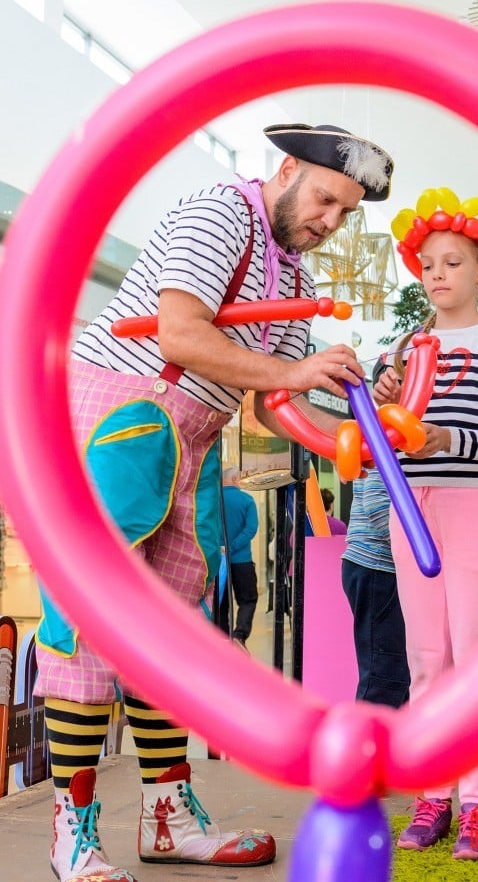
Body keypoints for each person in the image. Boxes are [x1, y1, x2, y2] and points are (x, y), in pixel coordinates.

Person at [33, 122, 393, 882]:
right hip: (124, 413)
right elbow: (183, 335)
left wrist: (361, 430)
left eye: (344, 212)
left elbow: (270, 403)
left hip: (192, 436)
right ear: (288, 168)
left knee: (172, 633)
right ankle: (73, 830)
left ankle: (167, 816)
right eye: (326, 199)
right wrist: (291, 375)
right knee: (90, 624)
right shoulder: (219, 213)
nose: (329, 220)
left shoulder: (291, 273)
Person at [374, 189, 478, 860]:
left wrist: (444, 439)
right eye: (429, 265)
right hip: (410, 512)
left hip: (473, 509)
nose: (438, 275)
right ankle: (434, 793)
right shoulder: (409, 344)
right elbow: (383, 430)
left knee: (474, 659)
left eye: (453, 263)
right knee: (426, 660)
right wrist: (379, 397)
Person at [341, 450, 410, 708]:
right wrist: (416, 549)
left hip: (373, 565)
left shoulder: (385, 441)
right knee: (386, 670)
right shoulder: (393, 442)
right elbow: (378, 505)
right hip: (380, 565)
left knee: (392, 669)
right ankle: (365, 744)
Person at [219, 466, 259, 651]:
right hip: (242, 561)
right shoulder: (247, 500)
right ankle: (239, 636)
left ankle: (222, 640)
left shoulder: (214, 500)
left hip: (218, 562)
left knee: (221, 602)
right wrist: (233, 547)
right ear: (235, 478)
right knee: (247, 600)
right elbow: (251, 529)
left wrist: (220, 548)